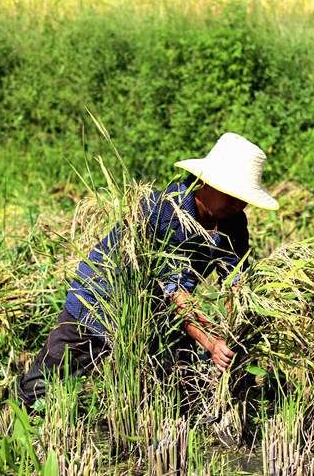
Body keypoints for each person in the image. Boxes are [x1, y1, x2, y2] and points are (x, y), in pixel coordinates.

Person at [14, 132, 278, 407]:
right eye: (233, 195)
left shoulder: (233, 221)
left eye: (244, 197)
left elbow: (237, 282)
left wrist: (235, 331)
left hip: (154, 313)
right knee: (43, 384)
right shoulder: (165, 210)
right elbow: (174, 293)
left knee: (177, 389)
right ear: (204, 183)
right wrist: (211, 340)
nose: (240, 203)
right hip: (101, 299)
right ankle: (12, 414)